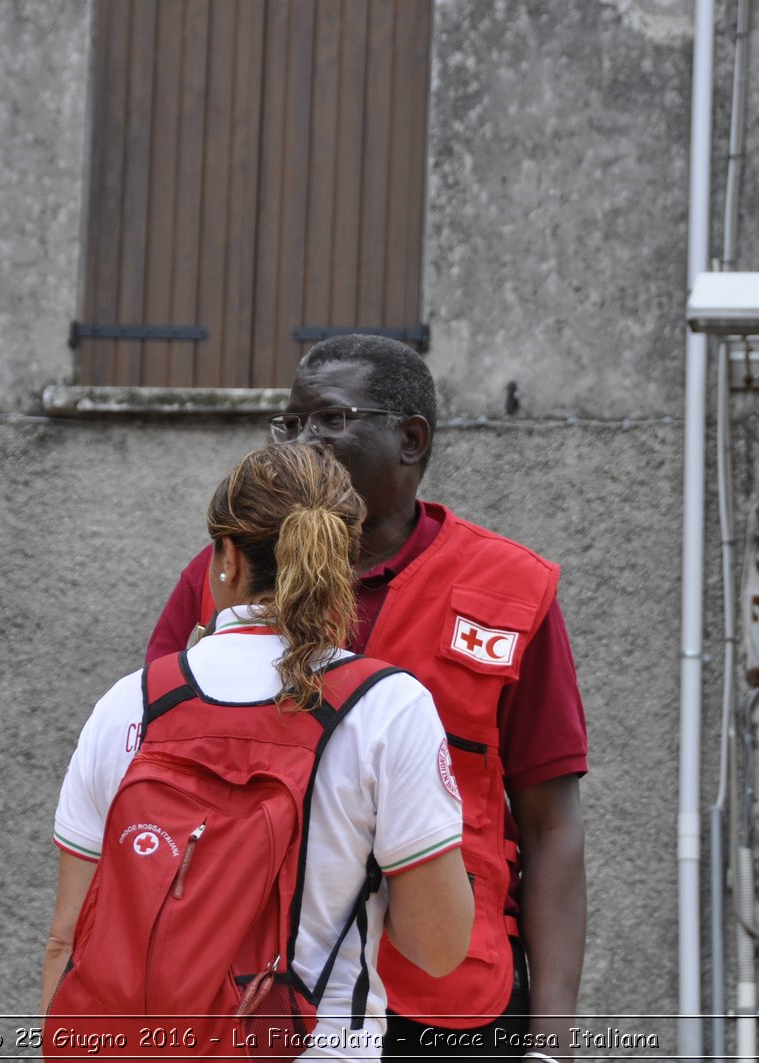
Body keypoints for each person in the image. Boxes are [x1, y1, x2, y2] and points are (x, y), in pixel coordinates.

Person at [145, 335, 588, 1060]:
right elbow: (154, 779)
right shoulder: (226, 572)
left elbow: (552, 827)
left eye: (329, 419)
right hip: (257, 994)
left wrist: (551, 1045)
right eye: (290, 423)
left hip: (450, 1006)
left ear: (411, 439)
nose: (303, 443)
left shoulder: (511, 591)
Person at [45, 442, 475, 1059]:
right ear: (339, 559)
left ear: (224, 558)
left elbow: (67, 942)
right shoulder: (388, 707)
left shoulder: (131, 703)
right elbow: (439, 947)